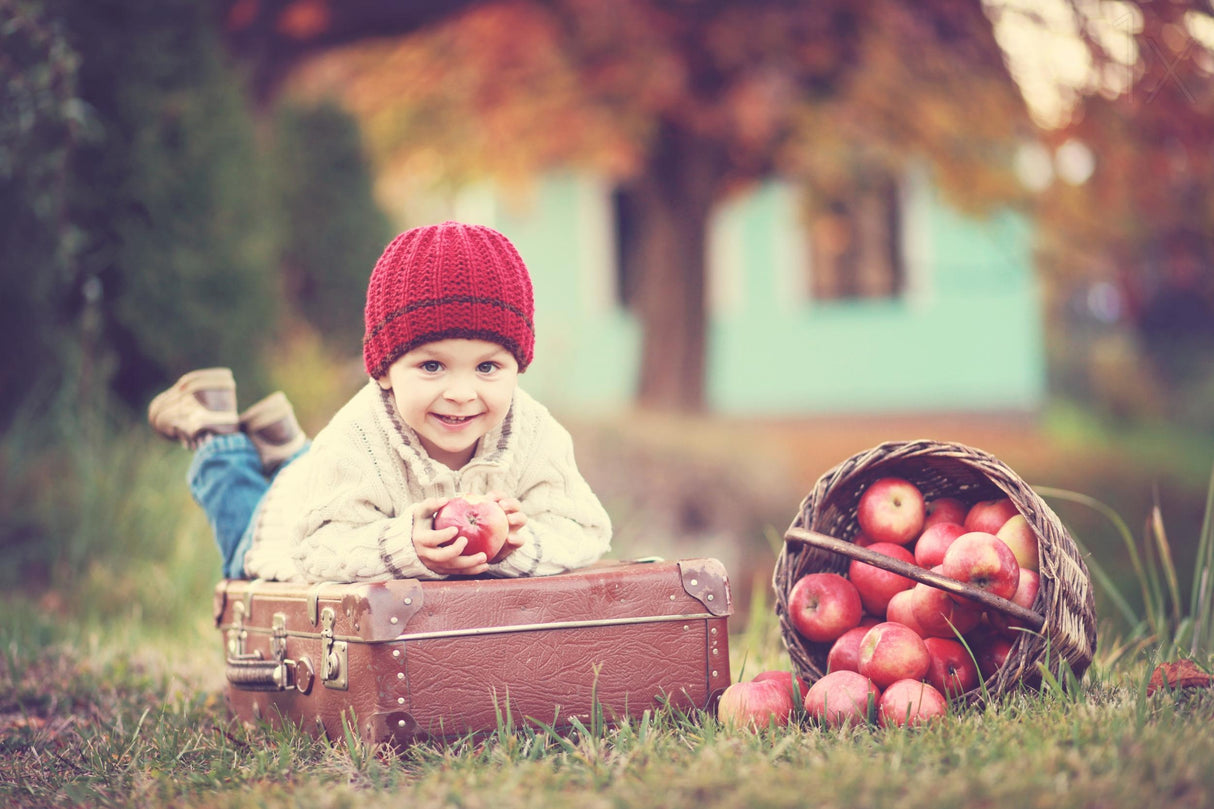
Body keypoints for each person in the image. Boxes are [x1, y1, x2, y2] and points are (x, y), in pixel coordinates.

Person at [148, 221, 612, 582]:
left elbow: (587, 531)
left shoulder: (534, 433)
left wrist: (515, 546)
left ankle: (285, 445)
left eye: (488, 367)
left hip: (328, 477)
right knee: (241, 542)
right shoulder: (357, 435)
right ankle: (217, 437)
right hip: (290, 518)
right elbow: (314, 551)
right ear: (384, 369)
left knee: (313, 467)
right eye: (432, 366)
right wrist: (406, 548)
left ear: (518, 366)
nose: (462, 392)